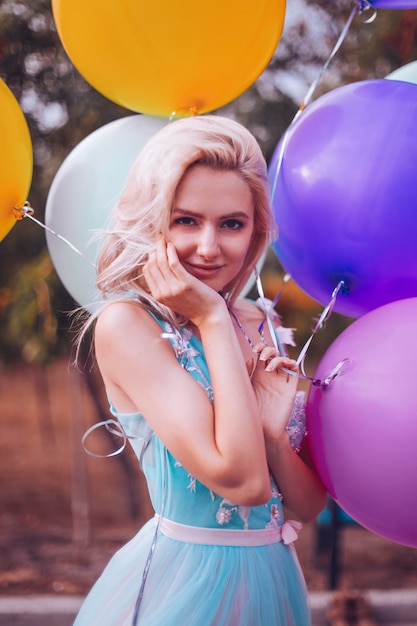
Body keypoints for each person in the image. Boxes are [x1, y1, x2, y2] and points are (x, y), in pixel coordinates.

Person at [73, 114, 326, 626]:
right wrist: (211, 315)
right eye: (186, 220)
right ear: (154, 222)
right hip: (186, 583)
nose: (209, 247)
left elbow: (303, 506)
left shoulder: (265, 322)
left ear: (255, 230)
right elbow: (242, 483)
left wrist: (276, 440)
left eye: (231, 223)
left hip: (274, 578)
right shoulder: (128, 327)